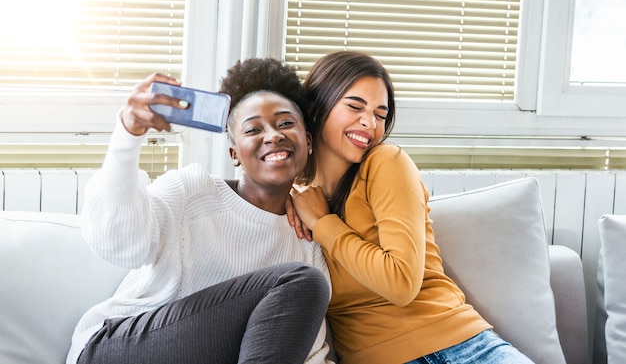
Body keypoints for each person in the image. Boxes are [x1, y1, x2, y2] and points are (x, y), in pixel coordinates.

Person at [67, 58, 334, 364]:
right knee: (304, 281)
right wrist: (127, 135)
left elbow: (308, 353)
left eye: (286, 123)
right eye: (253, 129)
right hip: (116, 350)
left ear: (309, 142)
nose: (273, 135)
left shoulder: (305, 241)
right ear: (234, 153)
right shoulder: (192, 191)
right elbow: (118, 244)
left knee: (307, 282)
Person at [290, 50, 535, 364]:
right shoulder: (297, 199)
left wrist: (323, 223)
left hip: (459, 350)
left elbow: (401, 284)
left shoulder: (385, 164)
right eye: (355, 106)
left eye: (380, 114)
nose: (369, 123)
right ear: (315, 107)